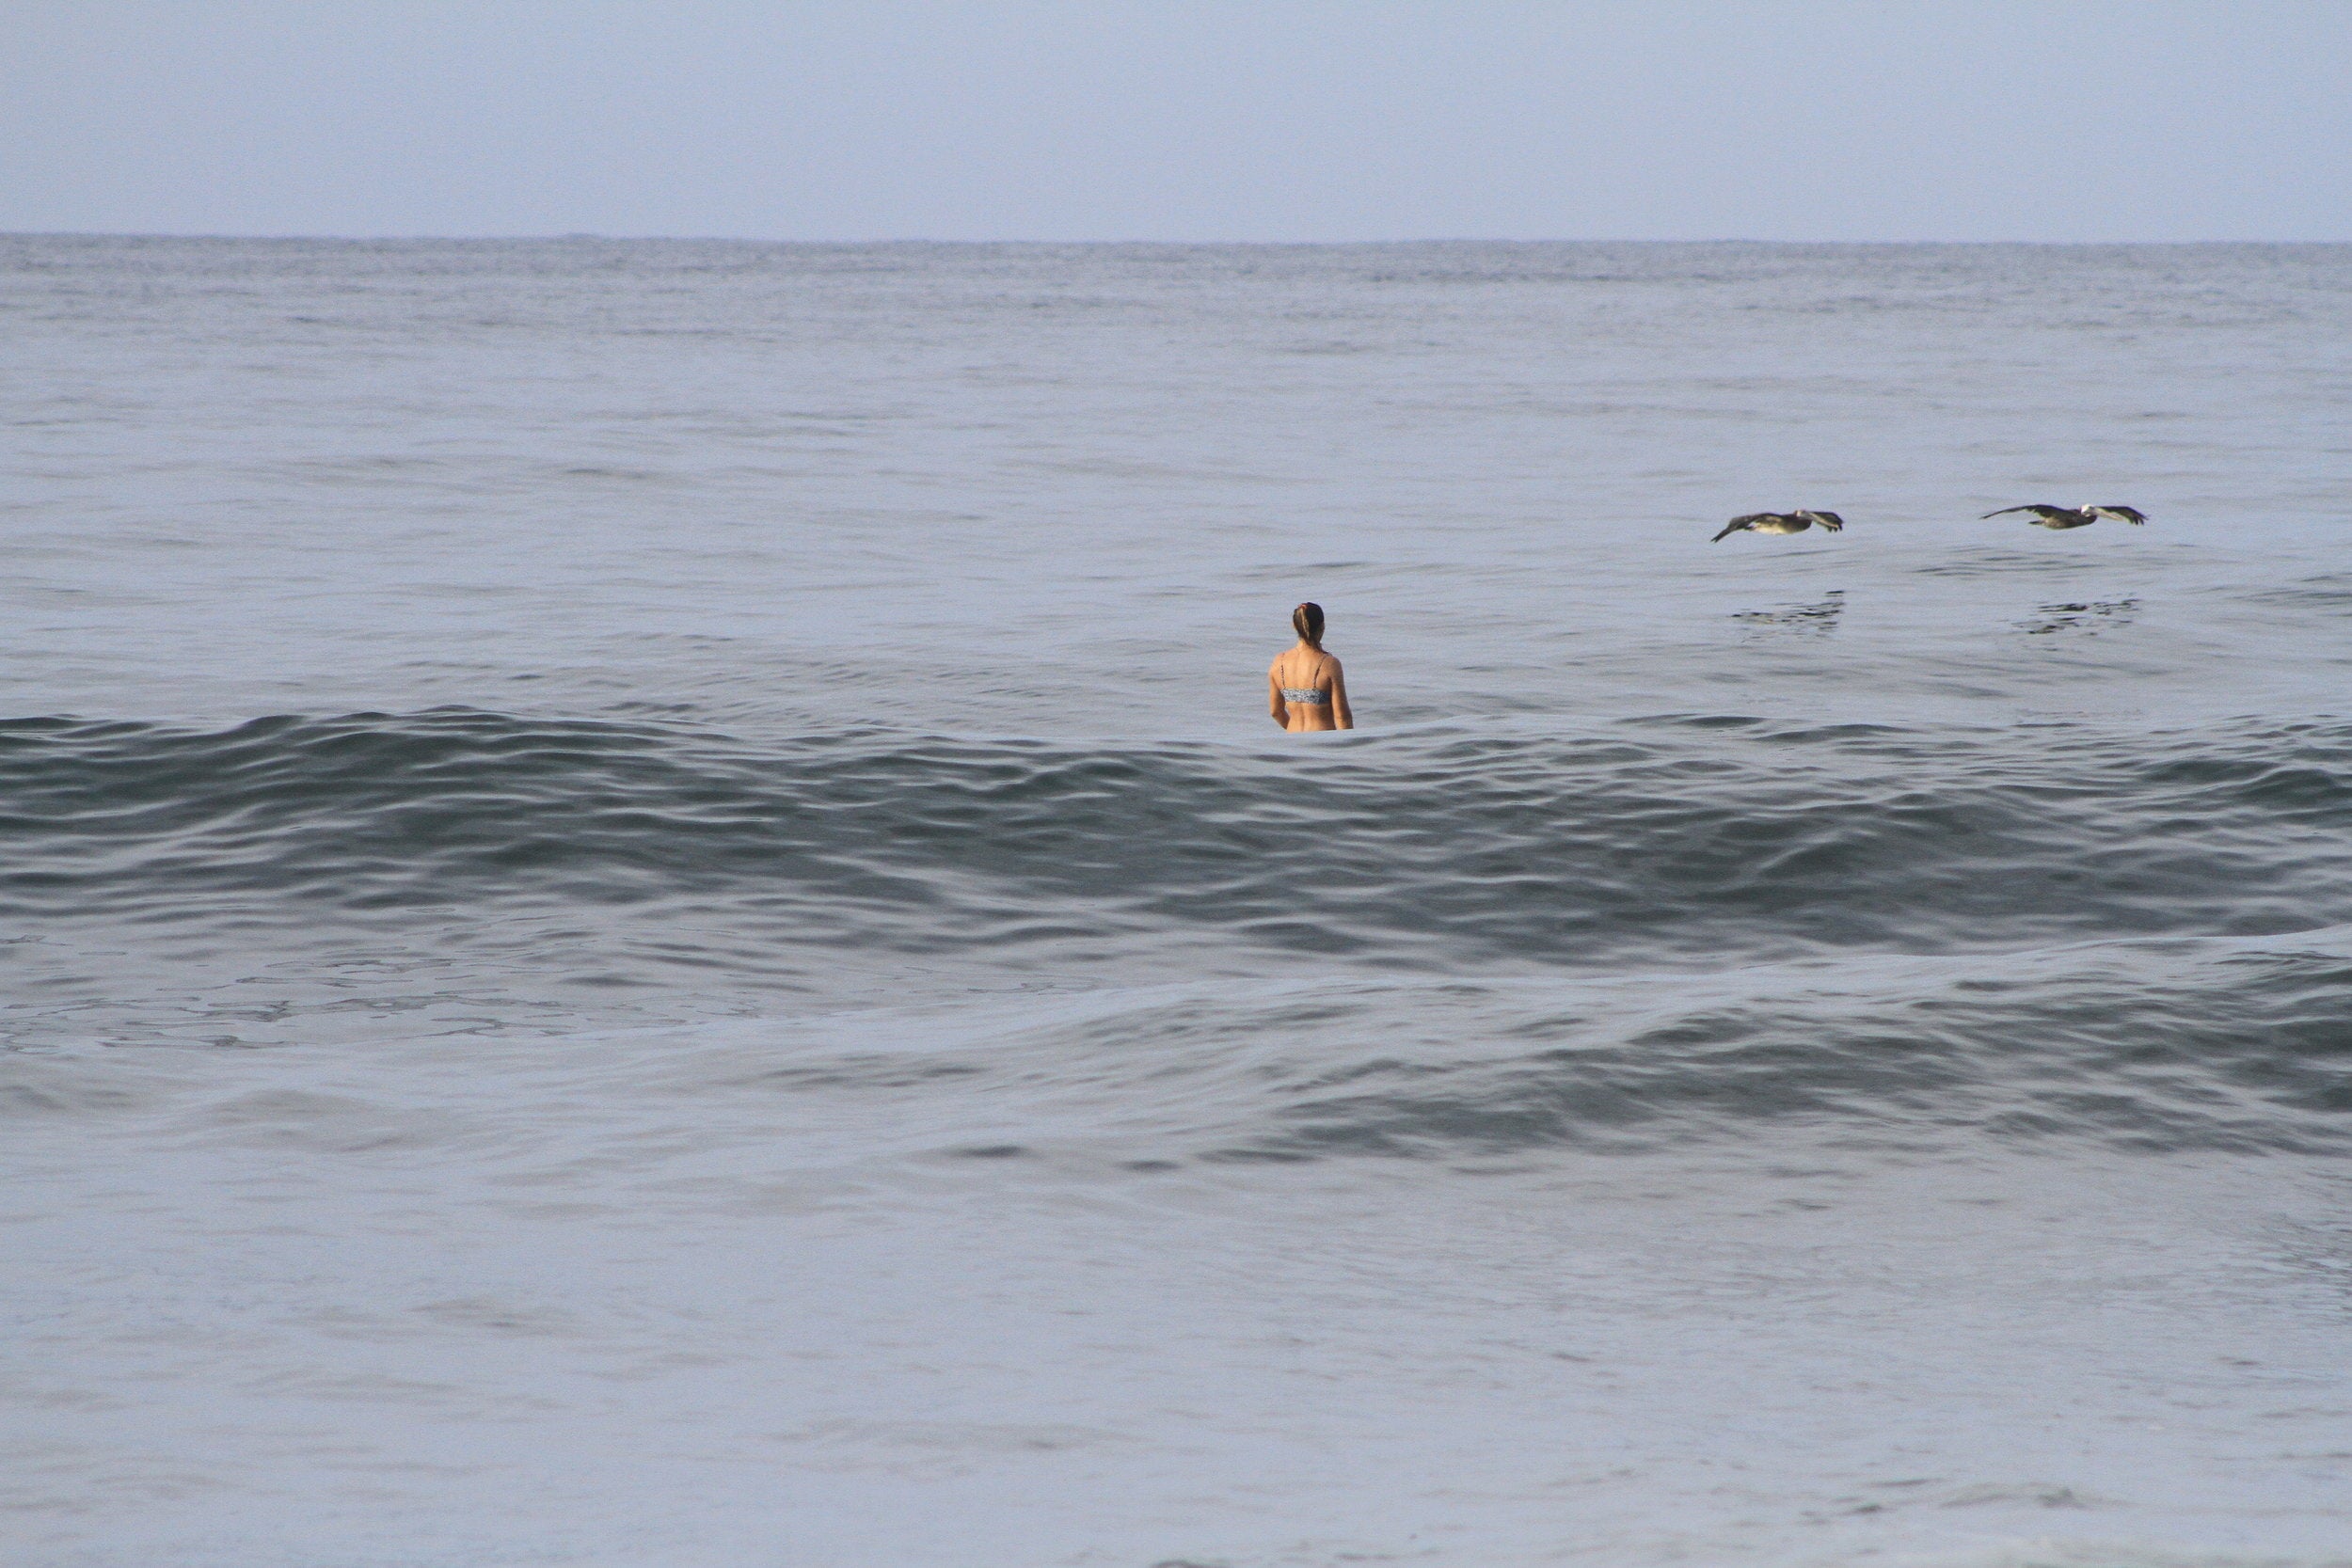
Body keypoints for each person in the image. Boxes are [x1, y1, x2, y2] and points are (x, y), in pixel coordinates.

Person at [1268, 602, 1354, 732]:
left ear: (1294, 626)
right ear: (1322, 627)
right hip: (1322, 744)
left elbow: (1276, 712)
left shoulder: (1278, 662)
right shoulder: (1330, 664)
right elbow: (1342, 717)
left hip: (1292, 744)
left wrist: (1295, 732)